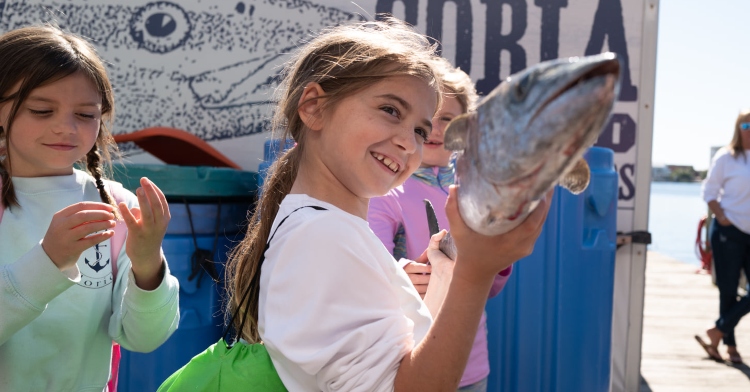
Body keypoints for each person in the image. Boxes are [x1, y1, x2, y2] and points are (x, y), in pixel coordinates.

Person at [225, 18, 552, 391]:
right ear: (314, 107)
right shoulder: (323, 238)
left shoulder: (328, 229)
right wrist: (474, 274)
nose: (409, 144)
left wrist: (446, 273)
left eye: (420, 130)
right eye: (391, 110)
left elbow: (400, 353)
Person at [0, 25, 180, 390]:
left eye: (84, 114)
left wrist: (148, 266)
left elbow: (143, 339)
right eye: (41, 110)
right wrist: (48, 261)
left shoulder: (117, 207)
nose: (65, 127)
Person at [367, 58, 510, 391]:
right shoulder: (384, 190)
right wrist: (406, 275)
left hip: (472, 365)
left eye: (448, 119)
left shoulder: (477, 188)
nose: (435, 129)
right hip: (407, 361)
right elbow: (373, 271)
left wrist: (497, 259)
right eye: (427, 120)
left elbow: (488, 287)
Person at [695, 109, 750, 365]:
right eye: (746, 125)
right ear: (738, 128)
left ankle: (716, 331)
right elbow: (709, 190)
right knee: (727, 291)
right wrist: (722, 216)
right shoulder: (727, 158)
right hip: (729, 230)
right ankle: (730, 346)